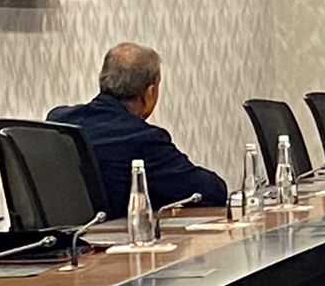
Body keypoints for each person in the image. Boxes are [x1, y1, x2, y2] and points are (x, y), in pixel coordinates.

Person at [49, 43, 229, 218]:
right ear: (150, 92)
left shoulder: (59, 120)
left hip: (60, 235)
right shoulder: (144, 139)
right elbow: (210, 191)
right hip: (115, 235)